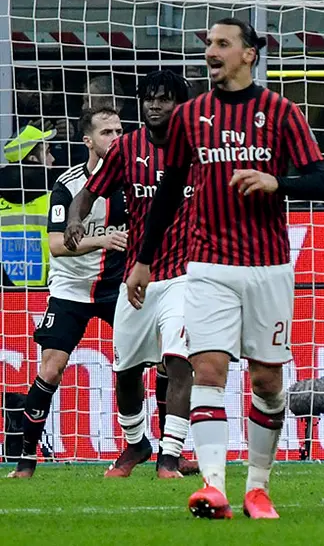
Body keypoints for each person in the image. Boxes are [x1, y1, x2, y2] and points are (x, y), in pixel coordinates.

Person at [125, 18, 324, 519]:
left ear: (249, 54)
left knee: (266, 382)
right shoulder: (190, 115)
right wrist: (144, 260)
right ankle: (214, 488)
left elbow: (322, 180)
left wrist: (275, 181)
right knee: (208, 369)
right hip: (208, 264)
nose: (211, 52)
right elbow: (170, 191)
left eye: (222, 44)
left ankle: (257, 488)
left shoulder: (281, 112)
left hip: (268, 267)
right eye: (208, 45)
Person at [65, 70, 199, 479]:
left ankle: (170, 455)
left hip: (185, 275)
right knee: (126, 370)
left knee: (179, 363)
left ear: (180, 105)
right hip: (138, 278)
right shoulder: (127, 148)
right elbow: (88, 193)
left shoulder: (198, 149)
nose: (155, 105)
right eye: (149, 98)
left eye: (164, 99)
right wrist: (75, 219)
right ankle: (136, 444)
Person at [7, 107, 126, 478]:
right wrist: (101, 239)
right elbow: (57, 245)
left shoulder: (134, 181)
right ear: (87, 141)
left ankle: (166, 454)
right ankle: (26, 461)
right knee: (51, 368)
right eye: (107, 132)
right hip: (71, 288)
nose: (116, 137)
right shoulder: (67, 184)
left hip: (115, 287)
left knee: (153, 362)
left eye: (120, 130)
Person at [0, 125, 60, 287]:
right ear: (33, 159)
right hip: (43, 293)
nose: (52, 159)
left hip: (4, 294)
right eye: (47, 152)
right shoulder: (54, 198)